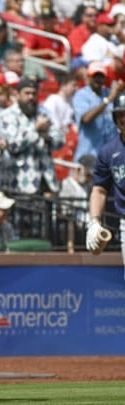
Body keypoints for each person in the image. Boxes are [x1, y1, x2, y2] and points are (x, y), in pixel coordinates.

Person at [86, 92, 125, 264]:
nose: (123, 118)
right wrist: (94, 222)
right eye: (120, 114)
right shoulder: (109, 151)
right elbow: (99, 190)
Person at [73, 62, 125, 162]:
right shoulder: (81, 95)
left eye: (101, 76)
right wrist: (108, 99)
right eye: (95, 76)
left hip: (109, 159)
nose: (98, 79)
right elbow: (86, 118)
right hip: (88, 156)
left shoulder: (108, 92)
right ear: (88, 77)